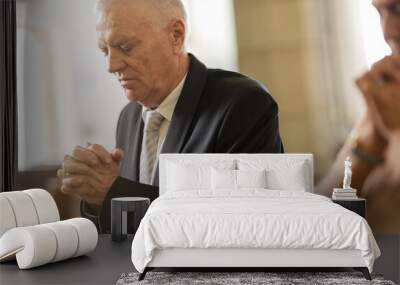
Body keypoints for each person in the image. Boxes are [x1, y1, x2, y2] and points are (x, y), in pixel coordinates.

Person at [57, 0, 284, 233]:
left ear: (176, 35)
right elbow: (132, 234)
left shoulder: (243, 104)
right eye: (105, 50)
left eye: (125, 47)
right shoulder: (128, 117)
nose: (111, 65)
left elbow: (241, 222)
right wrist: (97, 198)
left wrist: (115, 192)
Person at [316, 0, 400, 234]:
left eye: (398, 9)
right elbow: (313, 224)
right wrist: (366, 147)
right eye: (379, 13)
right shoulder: (384, 105)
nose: (387, 32)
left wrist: (396, 134)